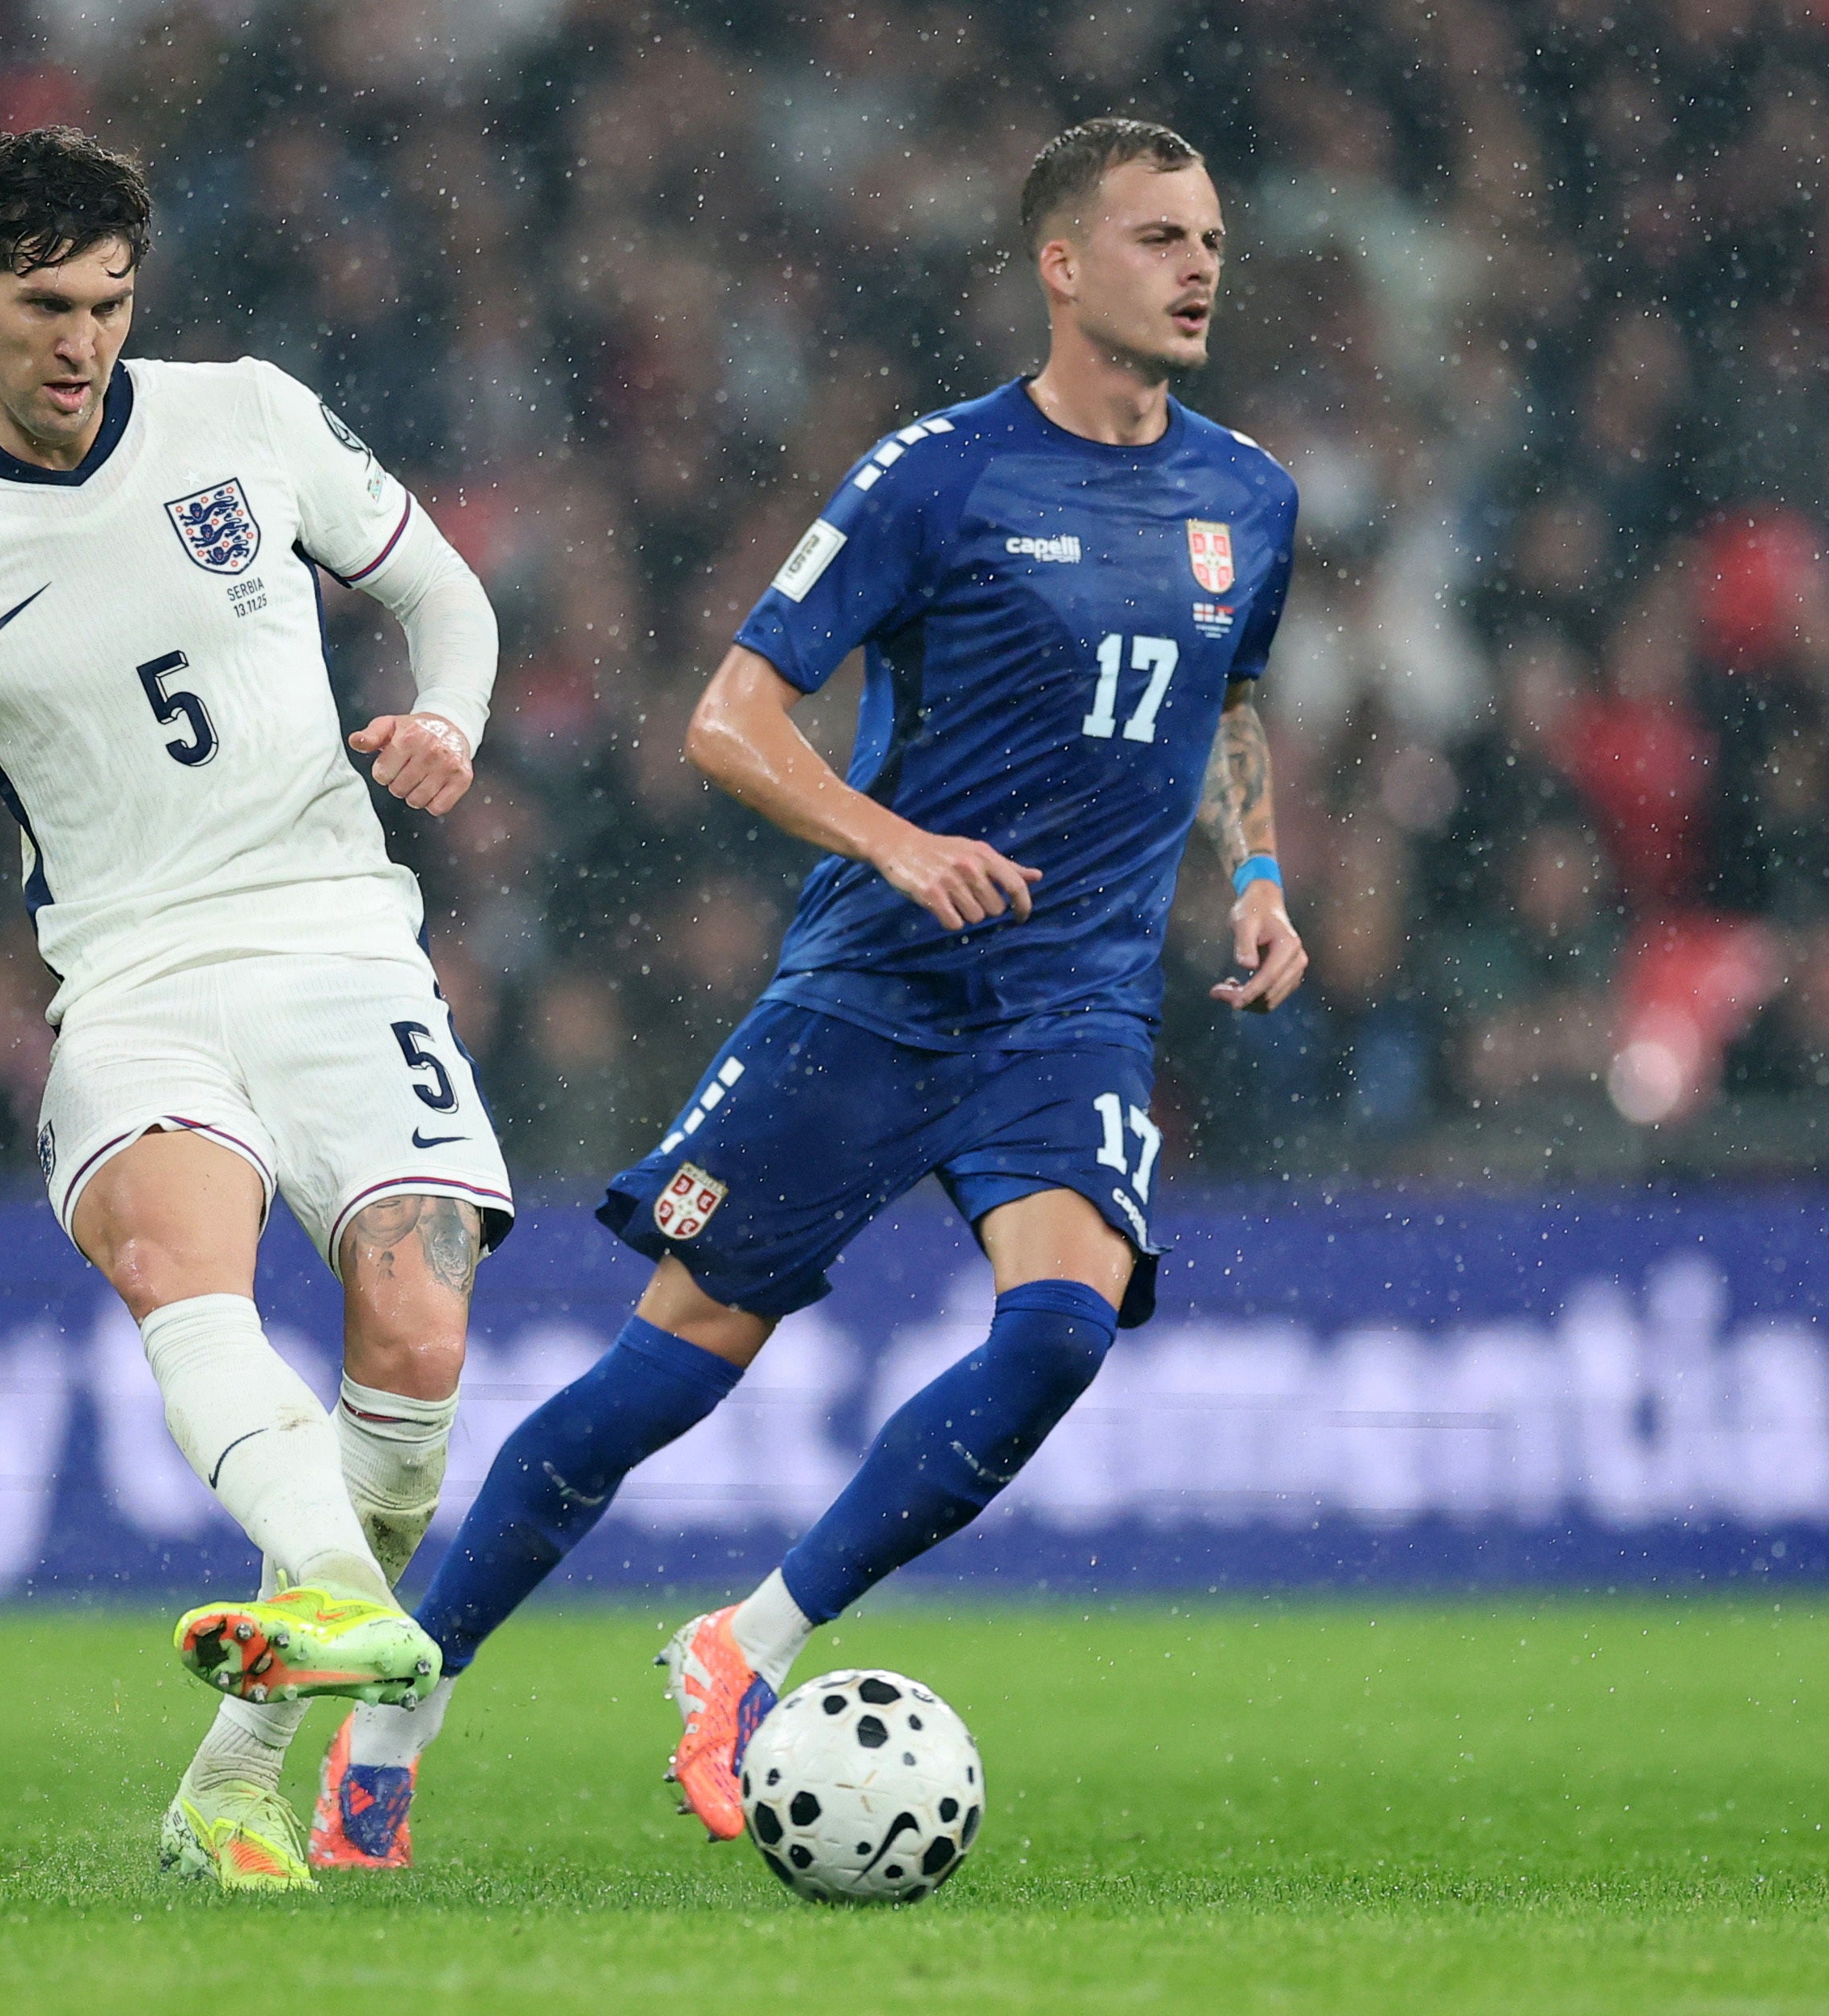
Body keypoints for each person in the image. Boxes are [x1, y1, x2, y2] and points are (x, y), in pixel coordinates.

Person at [306, 117, 1308, 1870]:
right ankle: (409, 1689)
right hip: (878, 985)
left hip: (1070, 1005)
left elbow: (1228, 701)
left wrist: (1262, 874)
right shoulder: (941, 474)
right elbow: (729, 715)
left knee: (1064, 1328)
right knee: (667, 1371)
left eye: (1212, 234)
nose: (1202, 264)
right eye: (1159, 237)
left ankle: (741, 1644)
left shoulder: (1251, 496)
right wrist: (895, 839)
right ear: (1061, 266)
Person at [0, 128, 509, 1892]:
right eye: (45, 305)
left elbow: (445, 595)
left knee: (420, 1351)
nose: (81, 344)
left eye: (111, 305)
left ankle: (231, 1777)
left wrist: (451, 722)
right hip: (132, 981)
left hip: (342, 935)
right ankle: (346, 1608)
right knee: (175, 1261)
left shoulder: (251, 418)